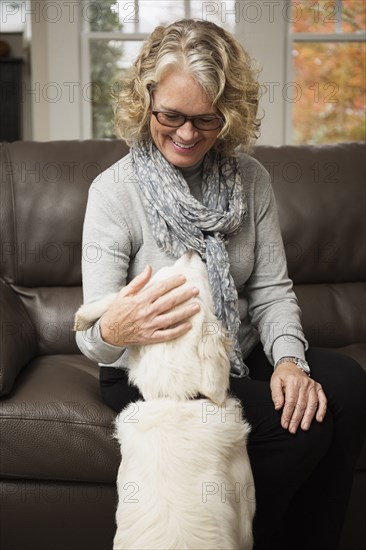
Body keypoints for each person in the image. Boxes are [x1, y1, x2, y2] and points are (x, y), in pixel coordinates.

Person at [76, 18, 366, 550]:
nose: (187, 134)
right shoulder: (113, 191)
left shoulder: (251, 179)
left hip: (237, 347)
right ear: (146, 103)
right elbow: (92, 338)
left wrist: (288, 362)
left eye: (205, 119)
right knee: (296, 426)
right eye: (172, 116)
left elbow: (273, 290)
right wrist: (115, 328)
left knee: (344, 386)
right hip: (156, 374)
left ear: (227, 114)